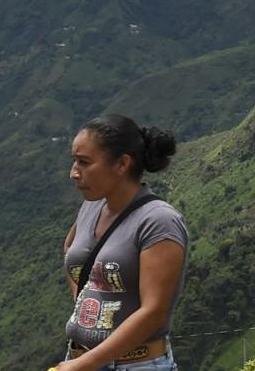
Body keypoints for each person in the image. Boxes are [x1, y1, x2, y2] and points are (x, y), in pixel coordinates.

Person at [54, 114, 188, 371]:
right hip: (81, 360)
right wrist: (88, 301)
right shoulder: (91, 207)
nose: (74, 173)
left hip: (135, 364)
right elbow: (71, 249)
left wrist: (85, 363)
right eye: (74, 161)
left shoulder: (158, 221)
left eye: (84, 162)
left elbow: (154, 311)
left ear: (122, 164)